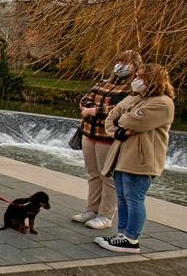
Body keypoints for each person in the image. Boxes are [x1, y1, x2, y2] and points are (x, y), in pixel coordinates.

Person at [95, 64, 175, 253]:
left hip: (141, 160)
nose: (135, 80)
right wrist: (121, 123)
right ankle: (122, 234)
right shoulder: (138, 99)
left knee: (134, 199)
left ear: (153, 80)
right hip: (123, 156)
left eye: (140, 77)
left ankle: (132, 238)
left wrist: (122, 119)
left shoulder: (162, 103)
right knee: (122, 198)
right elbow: (113, 117)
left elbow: (130, 120)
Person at [73, 50, 142, 231]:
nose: (120, 65)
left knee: (107, 176)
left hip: (107, 137)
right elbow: (86, 98)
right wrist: (87, 107)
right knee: (93, 174)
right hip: (89, 134)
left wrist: (94, 111)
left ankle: (106, 215)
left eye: (125, 62)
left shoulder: (132, 89)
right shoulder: (105, 82)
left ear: (134, 66)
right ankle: (91, 209)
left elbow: (121, 108)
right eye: (118, 61)